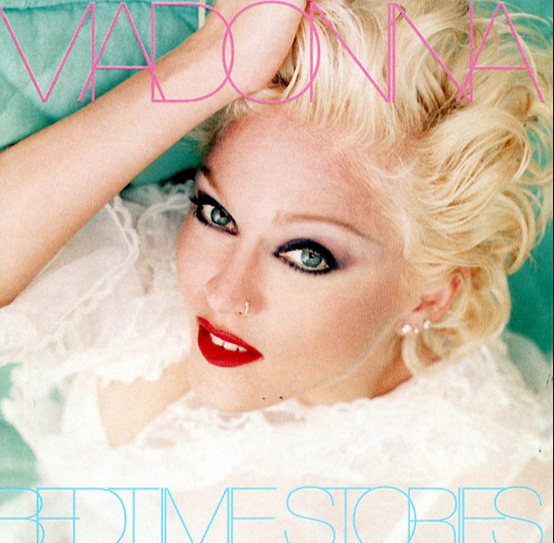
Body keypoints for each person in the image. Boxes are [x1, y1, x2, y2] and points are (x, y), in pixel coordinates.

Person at [0, 0, 552, 541]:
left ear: (431, 296)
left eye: (307, 256)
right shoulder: (152, 278)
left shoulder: (495, 494)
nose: (223, 293)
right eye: (218, 214)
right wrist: (214, 62)